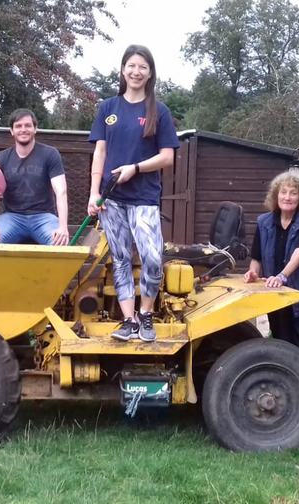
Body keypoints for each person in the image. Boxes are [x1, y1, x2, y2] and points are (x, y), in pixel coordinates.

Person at [87, 44, 180, 343]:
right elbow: (99, 152)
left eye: (143, 66)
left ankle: (146, 314)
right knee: (121, 258)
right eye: (131, 65)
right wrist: (93, 193)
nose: (136, 71)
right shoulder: (108, 108)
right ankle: (128, 320)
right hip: (111, 198)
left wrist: (135, 168)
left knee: (153, 258)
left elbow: (168, 157)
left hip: (143, 197)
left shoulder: (158, 110)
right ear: (123, 69)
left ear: (150, 73)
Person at [243, 172, 299, 363]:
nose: (287, 197)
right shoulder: (264, 221)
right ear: (275, 195)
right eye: (283, 192)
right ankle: (288, 390)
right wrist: (253, 272)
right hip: (277, 295)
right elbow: (257, 256)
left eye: (293, 193)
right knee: (282, 347)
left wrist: (281, 276)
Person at [0, 109, 69, 246]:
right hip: (12, 217)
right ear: (11, 131)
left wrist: (63, 227)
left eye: (28, 125)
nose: (23, 130)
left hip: (44, 217)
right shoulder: (0, 158)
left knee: (60, 243)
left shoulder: (50, 154)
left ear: (35, 129)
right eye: (18, 126)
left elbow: (61, 192)